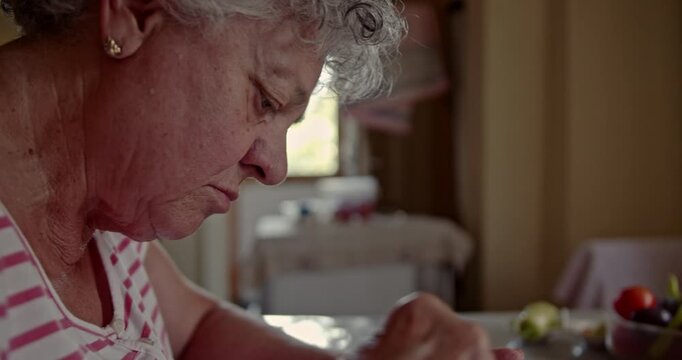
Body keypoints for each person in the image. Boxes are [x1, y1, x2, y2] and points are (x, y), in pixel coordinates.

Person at [0, 0, 523, 359]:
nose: (275, 168)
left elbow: (196, 332)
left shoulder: (111, 207)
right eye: (265, 100)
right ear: (134, 10)